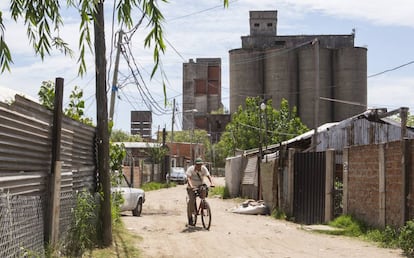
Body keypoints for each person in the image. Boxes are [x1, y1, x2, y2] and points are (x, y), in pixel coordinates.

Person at [186, 157, 214, 225]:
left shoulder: (203, 168)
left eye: (200, 165)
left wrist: (212, 183)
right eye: (198, 165)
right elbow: (188, 179)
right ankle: (190, 218)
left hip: (200, 186)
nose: (199, 166)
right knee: (191, 201)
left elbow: (208, 176)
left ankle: (204, 205)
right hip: (191, 187)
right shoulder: (190, 169)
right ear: (195, 164)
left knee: (204, 192)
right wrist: (191, 186)